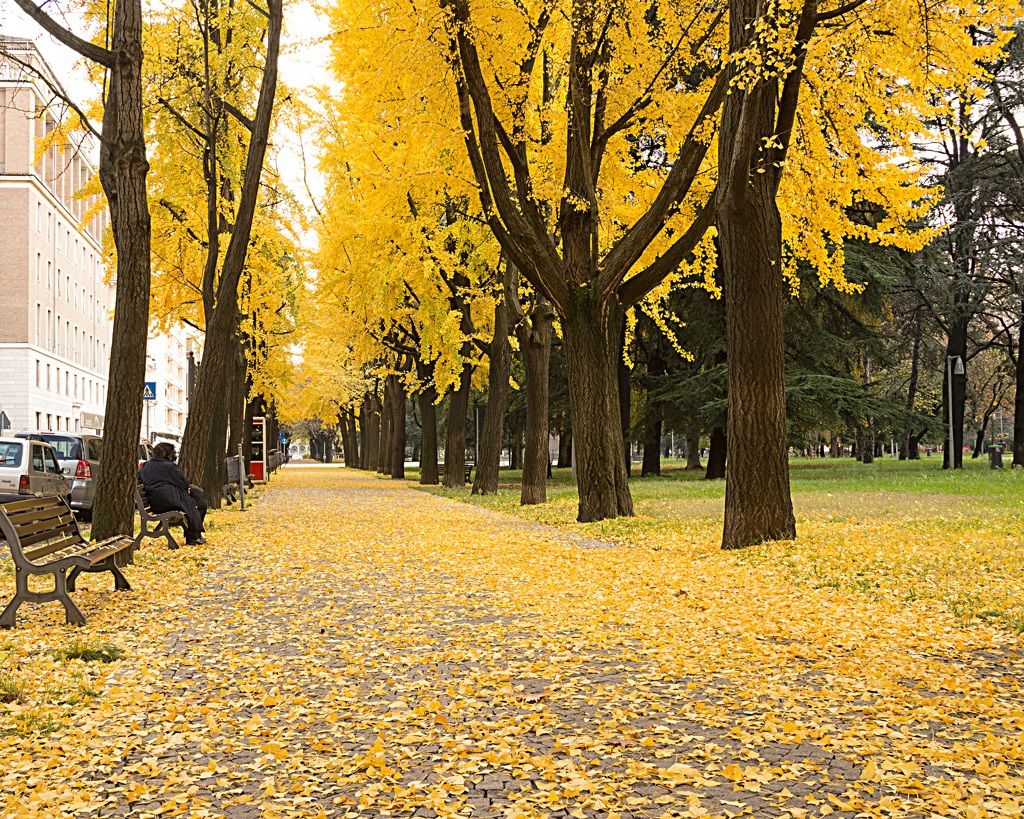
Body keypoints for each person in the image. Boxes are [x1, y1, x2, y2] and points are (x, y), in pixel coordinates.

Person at [138, 442, 207, 545]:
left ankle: (194, 535)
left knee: (194, 503)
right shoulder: (169, 466)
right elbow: (184, 483)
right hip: (168, 501)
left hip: (154, 503)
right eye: (173, 453)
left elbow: (140, 479)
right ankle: (193, 536)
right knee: (201, 504)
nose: (174, 455)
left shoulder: (146, 465)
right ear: (168, 454)